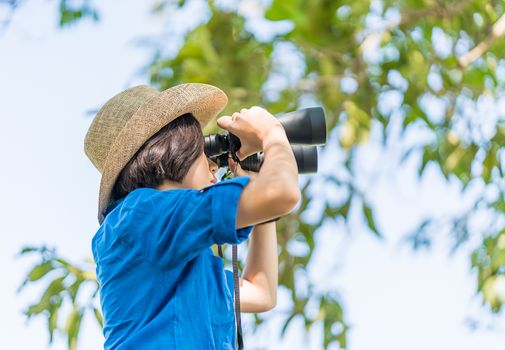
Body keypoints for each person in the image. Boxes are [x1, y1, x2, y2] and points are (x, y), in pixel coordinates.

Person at [83, 83, 300, 349]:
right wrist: (271, 132)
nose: (213, 167)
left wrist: (258, 189)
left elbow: (262, 293)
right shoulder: (140, 214)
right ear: (173, 150)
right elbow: (283, 193)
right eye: (203, 154)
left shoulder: (178, 255)